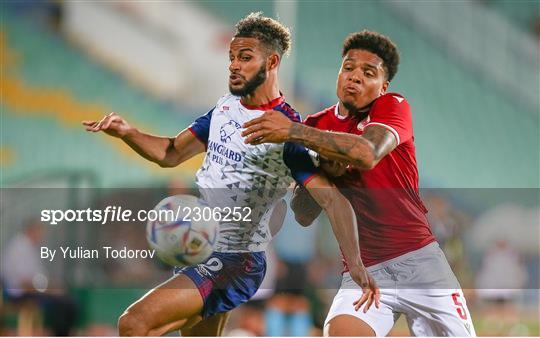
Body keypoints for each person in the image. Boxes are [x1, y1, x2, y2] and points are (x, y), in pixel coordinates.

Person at [83, 13, 378, 336]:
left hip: (235, 260)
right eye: (232, 57)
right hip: (201, 250)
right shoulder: (223, 109)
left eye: (246, 57)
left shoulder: (287, 131)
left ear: (272, 62)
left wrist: (356, 266)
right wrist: (128, 132)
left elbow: (334, 202)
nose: (234, 65)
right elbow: (170, 153)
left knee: (134, 322)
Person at [242, 30, 476, 336]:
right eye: (349, 67)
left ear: (383, 87)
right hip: (364, 271)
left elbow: (367, 153)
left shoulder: (392, 106)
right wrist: (324, 169)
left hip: (419, 262)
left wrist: (293, 131)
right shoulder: (315, 126)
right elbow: (304, 213)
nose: (355, 77)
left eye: (369, 73)